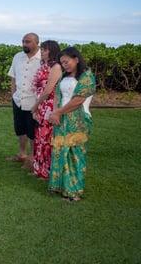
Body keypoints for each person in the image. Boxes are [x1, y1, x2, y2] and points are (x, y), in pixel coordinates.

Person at [48, 47, 96, 201]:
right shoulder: (63, 76)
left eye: (66, 61)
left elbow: (78, 100)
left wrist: (58, 112)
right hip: (61, 119)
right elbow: (57, 95)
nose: (64, 65)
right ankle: (60, 185)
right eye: (62, 63)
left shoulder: (86, 77)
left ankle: (74, 191)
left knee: (74, 155)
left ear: (76, 59)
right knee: (59, 151)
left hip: (79, 120)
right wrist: (55, 112)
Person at [6, 33, 41, 163]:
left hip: (34, 102)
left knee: (33, 131)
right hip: (18, 100)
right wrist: (13, 96)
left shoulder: (42, 59)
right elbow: (13, 78)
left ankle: (33, 159)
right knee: (20, 129)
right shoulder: (17, 57)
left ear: (37, 43)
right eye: (23, 41)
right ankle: (22, 154)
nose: (24, 44)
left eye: (28, 42)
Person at [30, 40, 62, 179]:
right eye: (41, 49)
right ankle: (39, 169)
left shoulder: (56, 67)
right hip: (42, 104)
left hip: (49, 105)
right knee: (40, 136)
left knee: (46, 137)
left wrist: (35, 105)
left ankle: (47, 171)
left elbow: (48, 90)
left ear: (52, 51)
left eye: (45, 49)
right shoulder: (44, 65)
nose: (42, 51)